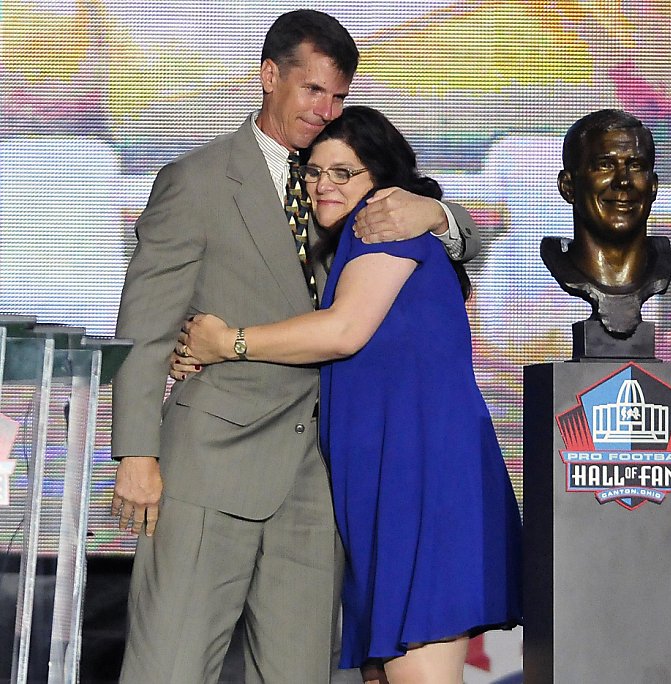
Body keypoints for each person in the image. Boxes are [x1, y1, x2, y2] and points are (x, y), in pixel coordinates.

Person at [109, 11, 481, 683]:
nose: (326, 109)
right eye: (314, 91)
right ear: (269, 77)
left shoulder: (348, 187)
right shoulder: (197, 180)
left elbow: (450, 240)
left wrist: (442, 214)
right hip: (211, 470)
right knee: (171, 665)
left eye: (338, 96)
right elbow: (144, 325)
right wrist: (137, 454)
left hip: (320, 479)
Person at [177, 106, 523, 684]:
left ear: (381, 181)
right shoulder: (351, 236)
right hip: (390, 482)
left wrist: (226, 343)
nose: (322, 186)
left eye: (343, 172)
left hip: (420, 482)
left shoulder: (382, 226)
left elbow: (343, 331)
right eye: (314, 172)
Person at [541, 109, 671, 338]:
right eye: (605, 165)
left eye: (636, 166)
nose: (623, 181)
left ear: (653, 186)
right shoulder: (558, 262)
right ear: (568, 186)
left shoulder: (659, 268)